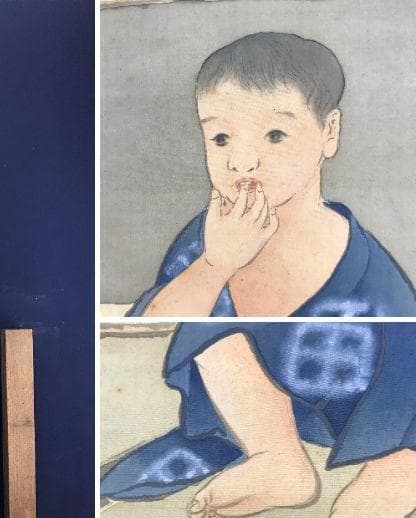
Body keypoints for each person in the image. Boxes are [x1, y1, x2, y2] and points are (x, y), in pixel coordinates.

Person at [130, 32, 416, 318]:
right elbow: (143, 332)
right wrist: (213, 267)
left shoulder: (378, 287)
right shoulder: (202, 241)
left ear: (330, 131)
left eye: (275, 135)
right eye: (220, 138)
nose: (242, 163)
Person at [101, 322, 416, 518]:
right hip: (289, 389)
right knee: (221, 298)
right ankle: (273, 452)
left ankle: (402, 459)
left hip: (379, 381)